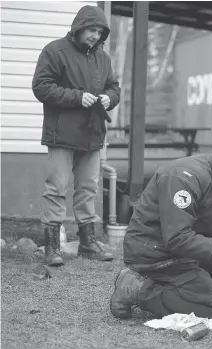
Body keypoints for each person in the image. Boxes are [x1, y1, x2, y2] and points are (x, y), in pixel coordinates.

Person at [110, 141, 212, 325]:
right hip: (157, 256)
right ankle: (136, 289)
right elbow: (177, 239)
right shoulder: (183, 178)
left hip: (186, 254)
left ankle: (175, 289)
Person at [32, 5, 120, 266]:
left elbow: (114, 87)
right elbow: (41, 87)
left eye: (99, 31)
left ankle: (87, 243)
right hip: (61, 133)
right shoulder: (54, 50)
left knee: (88, 189)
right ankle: (52, 247)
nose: (95, 35)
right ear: (79, 27)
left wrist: (109, 98)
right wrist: (77, 97)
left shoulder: (103, 58)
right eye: (92, 30)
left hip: (93, 134)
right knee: (56, 188)